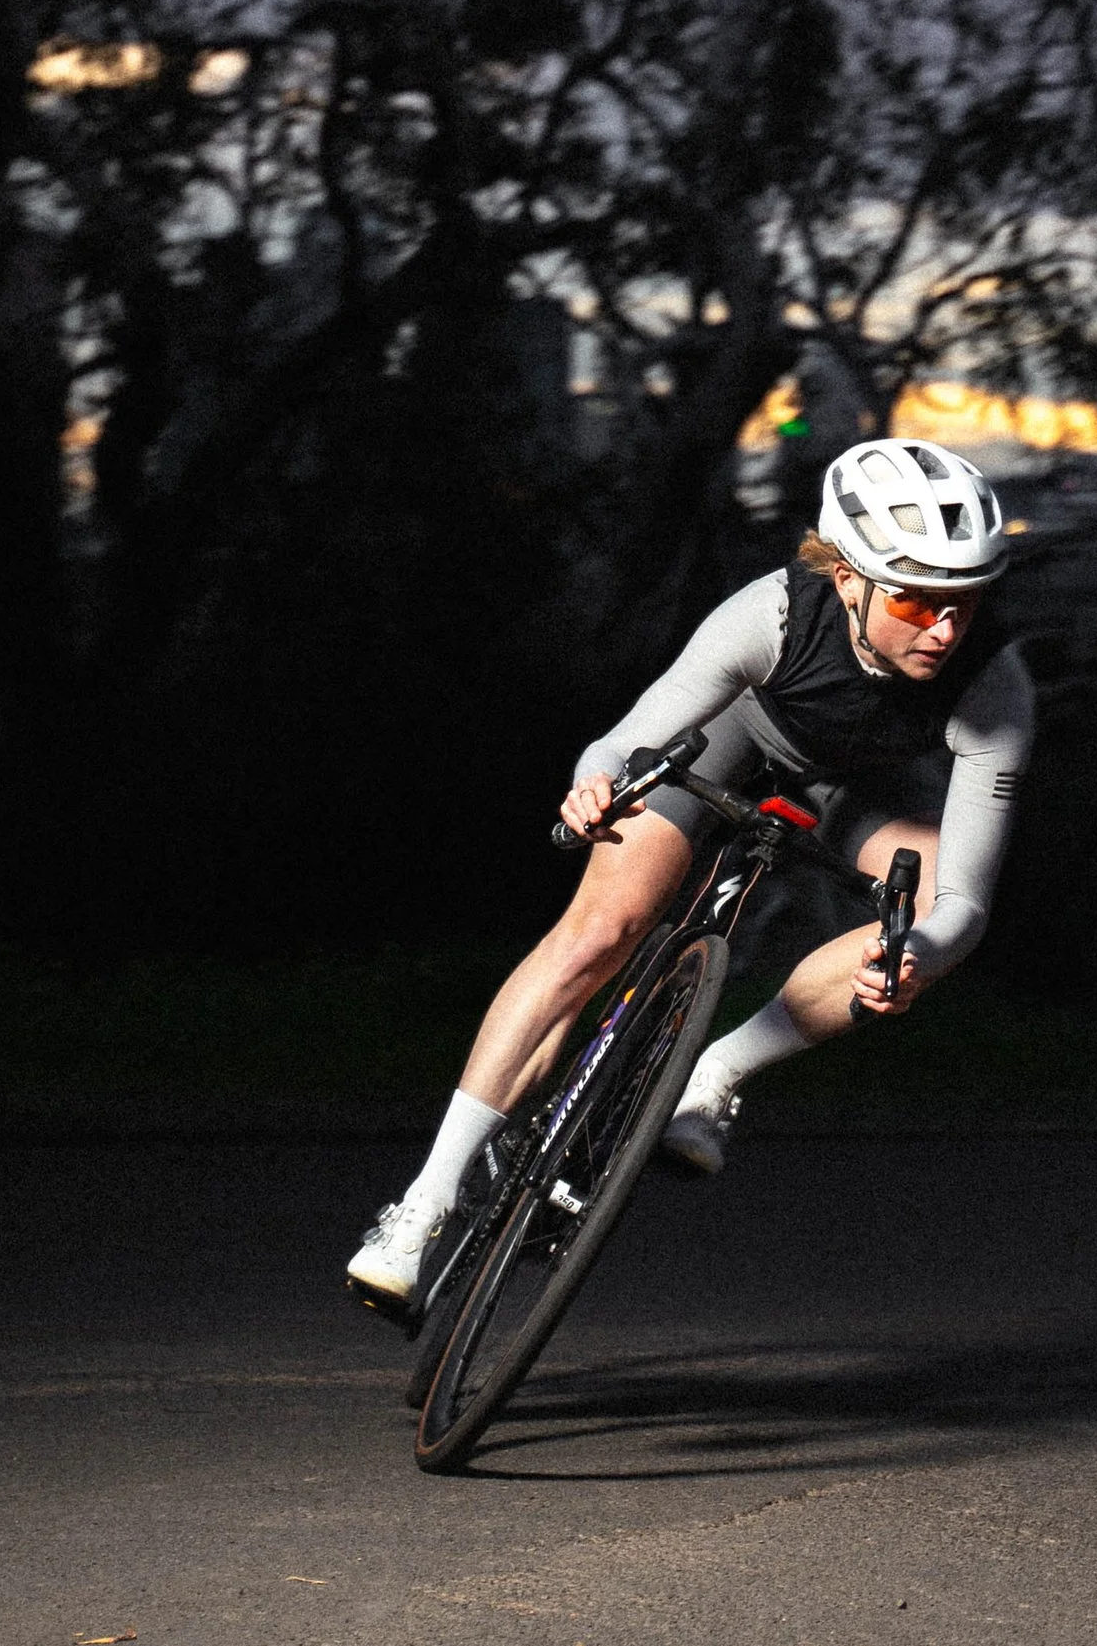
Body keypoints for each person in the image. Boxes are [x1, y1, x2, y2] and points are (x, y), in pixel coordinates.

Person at [345, 436, 1034, 1314]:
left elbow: (968, 897)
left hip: (850, 791)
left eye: (965, 603)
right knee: (601, 929)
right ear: (848, 576)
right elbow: (627, 738)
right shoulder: (773, 613)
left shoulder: (994, 683)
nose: (944, 629)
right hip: (730, 743)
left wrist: (921, 952)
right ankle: (423, 1207)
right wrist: (594, 786)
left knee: (927, 923)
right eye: (915, 599)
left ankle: (717, 1072)